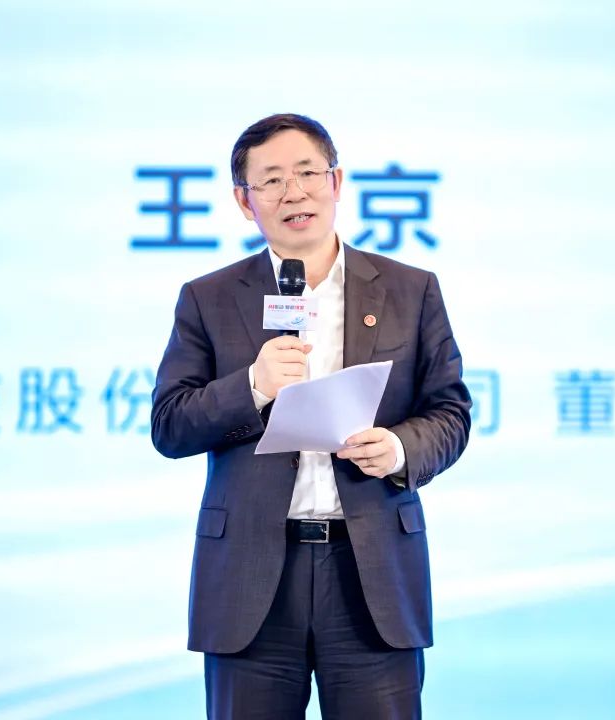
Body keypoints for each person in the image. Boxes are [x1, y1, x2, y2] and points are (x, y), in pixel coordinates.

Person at [151, 113, 471, 719]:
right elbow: (169, 424)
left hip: (371, 573)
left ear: (336, 182)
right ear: (244, 202)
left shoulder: (410, 290)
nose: (293, 192)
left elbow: (450, 412)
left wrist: (399, 449)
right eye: (271, 180)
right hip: (251, 581)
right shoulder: (208, 298)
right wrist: (252, 385)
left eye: (307, 173)